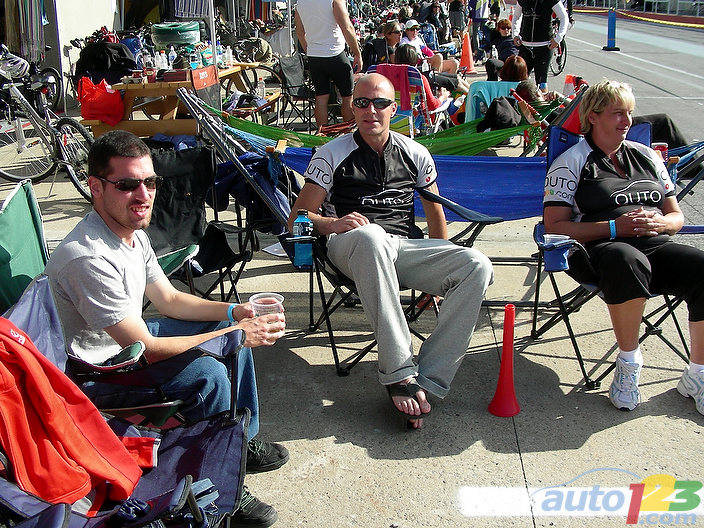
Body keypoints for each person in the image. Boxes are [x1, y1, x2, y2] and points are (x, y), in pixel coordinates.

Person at [44, 130, 288, 527]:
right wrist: (234, 336)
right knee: (208, 372)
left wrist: (234, 312)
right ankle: (219, 483)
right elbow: (147, 348)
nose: (143, 195)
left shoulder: (130, 232)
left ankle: (238, 442)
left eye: (150, 182)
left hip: (126, 342)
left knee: (227, 327)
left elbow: (169, 299)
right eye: (127, 184)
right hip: (95, 372)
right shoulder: (86, 256)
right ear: (95, 187)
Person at [288, 74, 493, 429]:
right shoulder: (331, 154)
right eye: (362, 103)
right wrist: (332, 223)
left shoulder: (415, 153)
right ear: (352, 108)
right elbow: (298, 218)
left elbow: (435, 215)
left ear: (394, 109)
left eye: (380, 103)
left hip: (402, 247)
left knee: (477, 265)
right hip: (351, 246)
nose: (371, 110)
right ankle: (398, 373)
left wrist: (438, 274)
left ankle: (427, 380)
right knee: (372, 236)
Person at [543, 80, 704, 415]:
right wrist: (616, 227)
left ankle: (697, 374)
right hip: (600, 250)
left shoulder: (646, 156)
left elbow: (676, 216)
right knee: (625, 258)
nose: (627, 120)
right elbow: (554, 225)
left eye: (629, 112)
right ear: (593, 116)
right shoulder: (572, 161)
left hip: (654, 245)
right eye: (618, 113)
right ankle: (629, 365)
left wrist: (663, 224)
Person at [295, 0, 362, 128]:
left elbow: (299, 31)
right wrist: (357, 53)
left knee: (321, 98)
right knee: (347, 97)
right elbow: (347, 27)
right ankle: (347, 133)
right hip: (335, 53)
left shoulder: (301, 2)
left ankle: (323, 135)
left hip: (315, 56)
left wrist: (309, 50)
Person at [511, 0, 568, 91]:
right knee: (520, 80)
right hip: (525, 45)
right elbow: (516, 16)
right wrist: (515, 34)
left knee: (541, 82)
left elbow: (564, 17)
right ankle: (522, 99)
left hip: (544, 46)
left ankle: (542, 99)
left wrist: (558, 38)